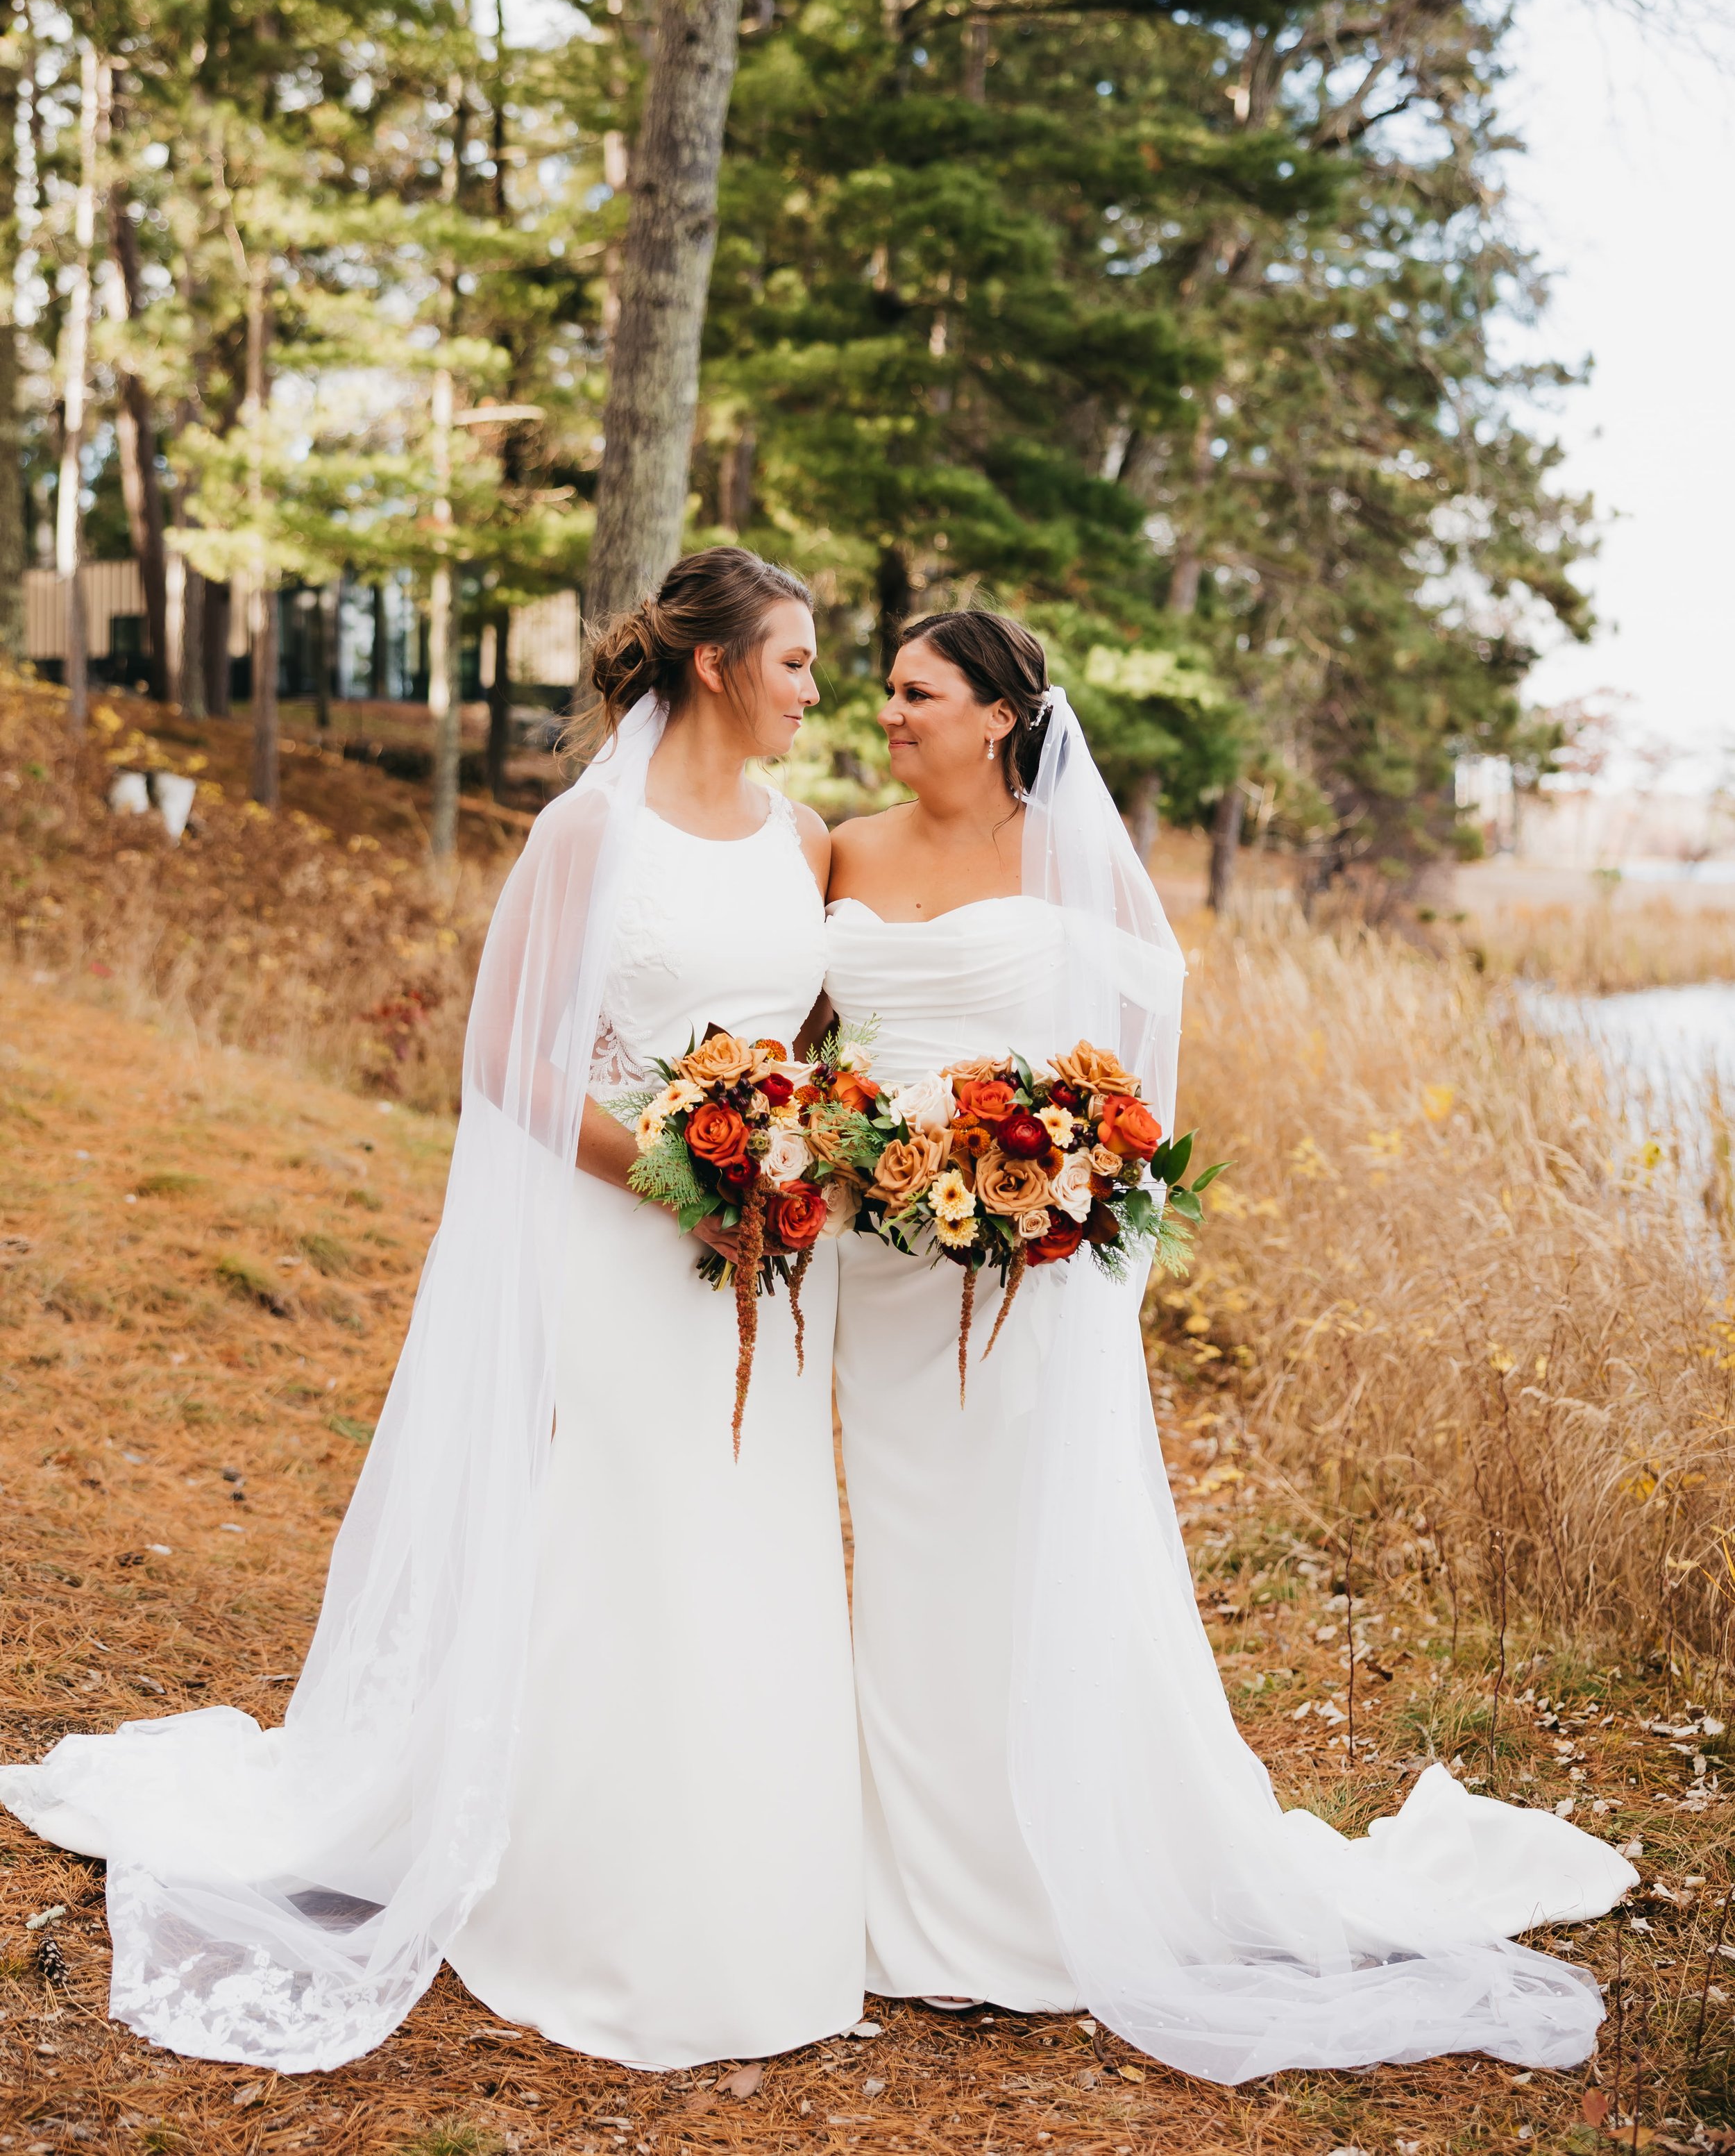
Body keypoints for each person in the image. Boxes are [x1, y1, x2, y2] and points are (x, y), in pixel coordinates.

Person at [0, 547, 864, 2075]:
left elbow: (806, 1033)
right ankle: (568, 1869)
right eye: (795, 659)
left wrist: (795, 1158)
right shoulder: (588, 832)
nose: (816, 686)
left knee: (741, 1532)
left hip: (759, 1262)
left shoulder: (802, 838)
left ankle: (736, 1862)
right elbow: (511, 1064)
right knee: (620, 1533)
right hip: (624, 1240)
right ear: (720, 664)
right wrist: (677, 1177)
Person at [824, 607, 1636, 2085]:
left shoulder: (1069, 861)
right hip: (878, 1267)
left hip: (1021, 1274)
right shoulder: (844, 848)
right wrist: (843, 1142)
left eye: (914, 693)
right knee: (900, 1553)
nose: (887, 713)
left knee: (1013, 1552)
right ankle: (900, 1886)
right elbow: (815, 1029)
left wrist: (1070, 1166)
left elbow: (1139, 1042)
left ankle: (1029, 1881)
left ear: (999, 714)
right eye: (882, 691)